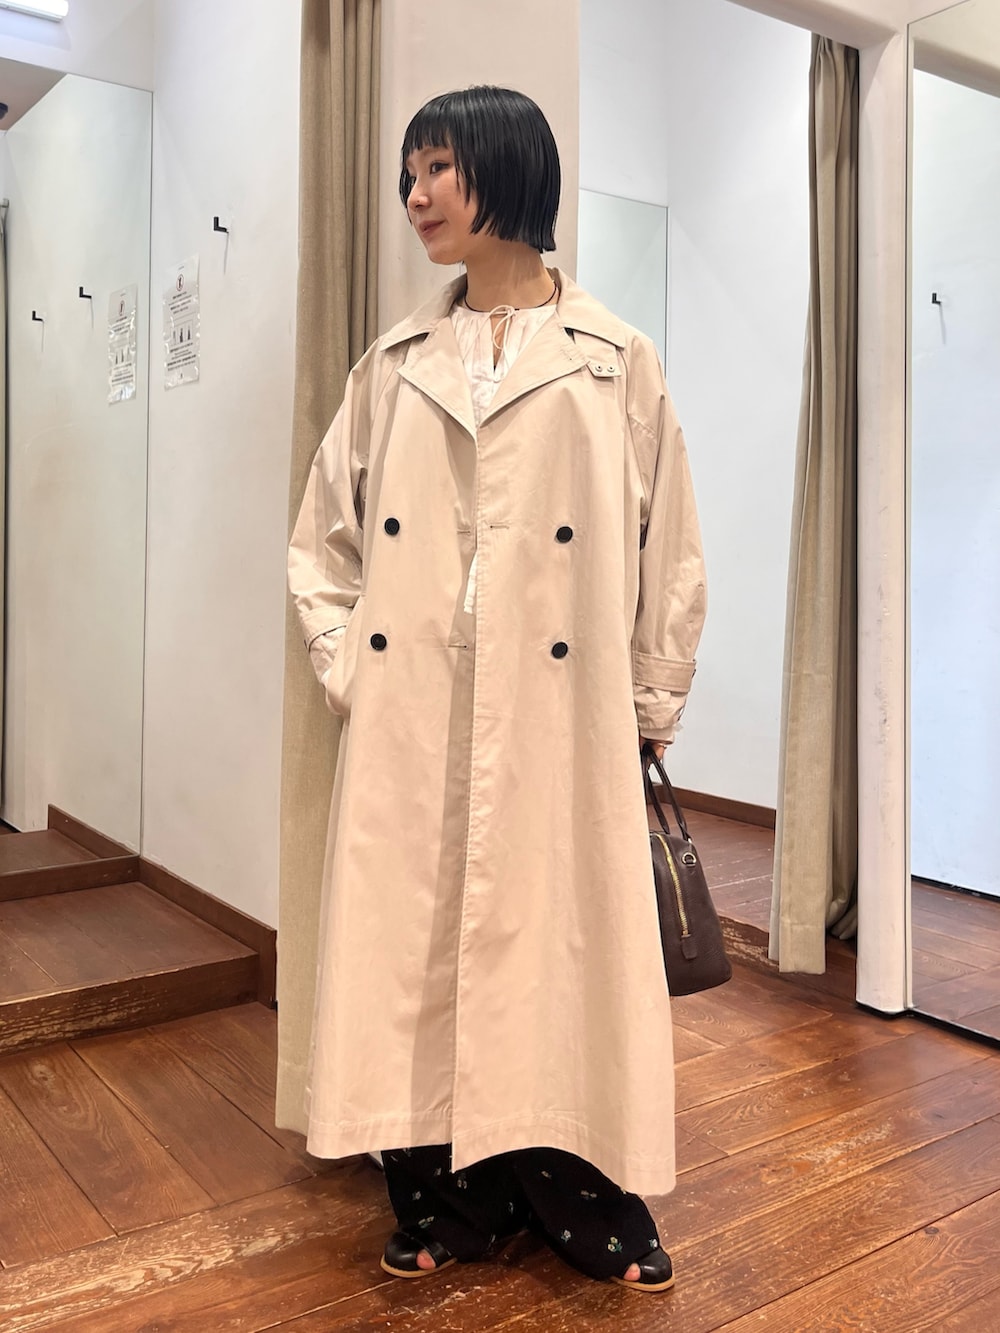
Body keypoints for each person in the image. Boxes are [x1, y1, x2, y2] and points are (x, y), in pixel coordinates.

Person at [288, 85, 706, 1294]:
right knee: (415, 955)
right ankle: (445, 1199)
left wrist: (648, 704)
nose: (414, 195)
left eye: (438, 167)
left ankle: (584, 1197)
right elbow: (322, 543)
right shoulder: (393, 364)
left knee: (563, 952)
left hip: (557, 711)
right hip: (415, 707)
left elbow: (670, 548)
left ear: (508, 170)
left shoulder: (613, 361)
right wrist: (352, 669)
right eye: (408, 172)